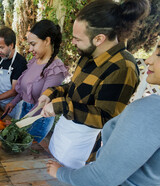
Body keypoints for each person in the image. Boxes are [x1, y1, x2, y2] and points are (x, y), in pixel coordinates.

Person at [45, 39, 159, 186]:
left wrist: (62, 173)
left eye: (158, 55)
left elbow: (104, 175)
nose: (149, 60)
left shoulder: (148, 110)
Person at [37, 0, 149, 170]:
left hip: (81, 149)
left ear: (99, 39)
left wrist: (63, 106)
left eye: (77, 39)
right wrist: (52, 93)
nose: (73, 43)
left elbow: (106, 118)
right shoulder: (89, 54)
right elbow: (75, 88)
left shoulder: (123, 68)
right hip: (63, 136)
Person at [4, 20, 67, 143]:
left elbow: (41, 105)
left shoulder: (55, 69)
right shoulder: (34, 61)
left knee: (24, 153)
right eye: (29, 44)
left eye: (33, 44)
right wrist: (13, 102)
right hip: (25, 112)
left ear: (47, 41)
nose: (30, 49)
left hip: (38, 118)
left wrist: (18, 125)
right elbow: (25, 90)